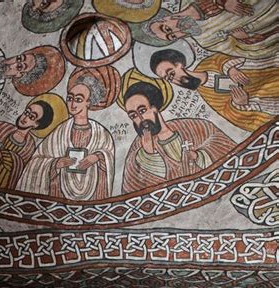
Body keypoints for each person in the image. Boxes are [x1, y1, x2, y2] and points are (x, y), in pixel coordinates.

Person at [119, 72, 235, 193]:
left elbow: (223, 146)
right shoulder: (138, 149)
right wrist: (149, 155)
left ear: (155, 108)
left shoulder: (194, 126)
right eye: (133, 116)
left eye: (142, 110)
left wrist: (199, 156)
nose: (140, 119)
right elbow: (134, 191)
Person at [17, 67, 118, 200]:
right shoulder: (59, 132)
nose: (72, 103)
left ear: (89, 102)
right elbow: (37, 160)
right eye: (70, 98)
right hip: (59, 196)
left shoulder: (102, 134)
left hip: (93, 198)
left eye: (79, 99)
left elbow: (109, 157)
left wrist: (98, 157)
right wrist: (55, 164)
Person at [150, 48, 279, 132]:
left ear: (179, 64)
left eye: (171, 73)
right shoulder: (207, 95)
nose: (174, 80)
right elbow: (233, 114)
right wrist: (242, 104)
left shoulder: (211, 62)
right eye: (168, 79)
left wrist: (230, 68)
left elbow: (240, 53)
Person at [129, 0, 278, 60]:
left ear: (164, 18)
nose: (178, 32)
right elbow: (252, 53)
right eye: (172, 36)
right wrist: (245, 40)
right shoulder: (206, 40)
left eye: (167, 28)